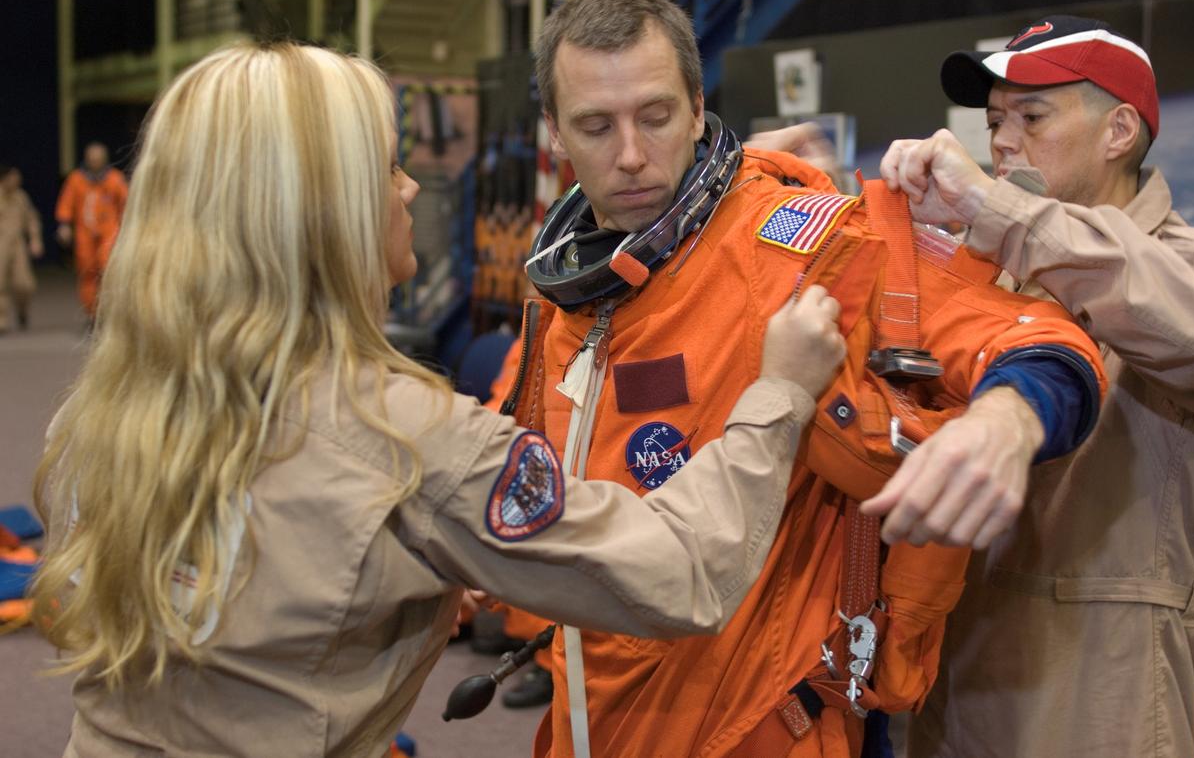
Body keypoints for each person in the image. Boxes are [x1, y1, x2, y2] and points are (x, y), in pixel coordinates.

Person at [29, 42, 853, 757]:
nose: (411, 190)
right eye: (390, 165)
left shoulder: (103, 412)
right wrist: (779, 393)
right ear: (325, 214)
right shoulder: (404, 440)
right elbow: (681, 572)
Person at [511, 0, 1106, 758]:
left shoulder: (795, 246)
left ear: (698, 108)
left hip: (748, 723)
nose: (630, 155)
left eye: (656, 117)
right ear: (554, 132)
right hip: (591, 708)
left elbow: (1036, 339)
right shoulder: (568, 292)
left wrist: (1007, 422)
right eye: (596, 125)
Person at [876, 15, 1194, 758]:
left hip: (1102, 682)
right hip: (953, 665)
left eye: (1031, 116)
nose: (1000, 141)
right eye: (993, 121)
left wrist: (995, 213)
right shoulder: (1001, 266)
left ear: (1119, 131)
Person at [54, 141, 128, 320]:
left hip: (109, 232)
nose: (94, 163)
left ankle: (110, 311)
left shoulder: (115, 179)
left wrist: (127, 227)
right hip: (84, 232)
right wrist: (64, 225)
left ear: (104, 160)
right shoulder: (76, 180)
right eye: (91, 159)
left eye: (98, 159)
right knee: (87, 271)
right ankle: (92, 313)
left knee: (108, 269)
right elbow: (66, 204)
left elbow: (126, 203)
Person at [0, 165, 42, 333]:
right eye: (13, 177)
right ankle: (1, 320)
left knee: (24, 283)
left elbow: (31, 219)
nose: (16, 180)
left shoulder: (20, 197)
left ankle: (22, 310)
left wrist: (35, 239)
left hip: (17, 244)